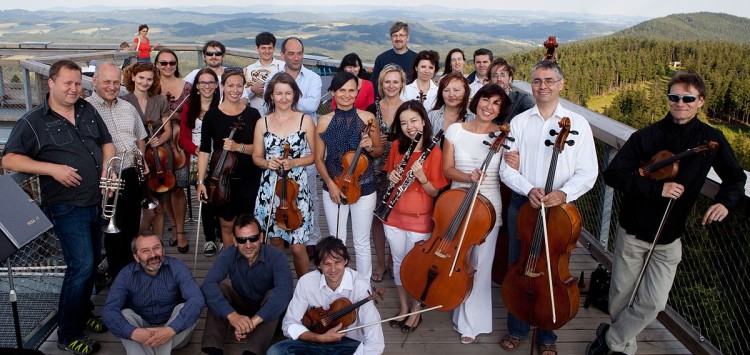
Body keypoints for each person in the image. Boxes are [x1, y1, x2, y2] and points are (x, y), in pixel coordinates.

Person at [586, 72, 746, 355]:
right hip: (633, 231)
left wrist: (725, 202)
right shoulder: (647, 137)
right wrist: (655, 189)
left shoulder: (711, 140)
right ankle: (624, 347)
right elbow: (614, 174)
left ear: (700, 102)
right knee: (619, 301)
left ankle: (610, 339)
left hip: (669, 238)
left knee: (654, 302)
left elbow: (734, 177)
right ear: (668, 100)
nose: (680, 103)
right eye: (674, 97)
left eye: (687, 98)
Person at [3, 59, 115, 354]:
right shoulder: (33, 121)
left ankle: (83, 313)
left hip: (96, 201)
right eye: (67, 83)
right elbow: (10, 160)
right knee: (82, 266)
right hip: (67, 206)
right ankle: (67, 334)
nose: (74, 89)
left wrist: (107, 168)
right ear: (51, 83)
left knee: (91, 266)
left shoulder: (87, 109)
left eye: (78, 83)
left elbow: (107, 142)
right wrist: (51, 169)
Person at [499, 60, 598, 355]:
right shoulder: (519, 122)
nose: (543, 86)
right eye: (537, 81)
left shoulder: (577, 124)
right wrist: (527, 188)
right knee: (519, 266)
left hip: (558, 212)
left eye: (549, 81)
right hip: (524, 204)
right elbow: (506, 170)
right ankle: (516, 328)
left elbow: (589, 172)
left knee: (551, 271)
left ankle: (547, 338)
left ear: (561, 85)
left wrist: (564, 193)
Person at [442, 84, 509, 345]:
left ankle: (474, 321)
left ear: (500, 111)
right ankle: (458, 306)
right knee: (460, 259)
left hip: (488, 203)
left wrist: (515, 162)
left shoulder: (504, 137)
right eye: (485, 99)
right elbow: (448, 170)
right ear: (476, 101)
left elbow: (508, 172)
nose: (489, 107)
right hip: (457, 199)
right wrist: (468, 177)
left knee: (481, 262)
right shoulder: (455, 130)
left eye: (496, 104)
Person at [383, 101, 449, 333]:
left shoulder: (435, 152)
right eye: (403, 123)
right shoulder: (397, 148)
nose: (409, 127)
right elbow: (392, 176)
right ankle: (404, 308)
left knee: (417, 267)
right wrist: (392, 177)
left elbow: (434, 192)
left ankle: (416, 309)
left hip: (420, 220)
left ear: (423, 121)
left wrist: (422, 177)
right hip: (393, 216)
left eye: (413, 121)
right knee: (399, 263)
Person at [315, 71, 382, 281]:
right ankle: (338, 284)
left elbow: (378, 151)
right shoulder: (325, 121)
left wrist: (371, 147)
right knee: (337, 238)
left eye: (351, 90)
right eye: (341, 90)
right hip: (334, 186)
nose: (346, 94)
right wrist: (330, 185)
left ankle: (363, 287)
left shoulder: (368, 118)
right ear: (333, 93)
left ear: (357, 92)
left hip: (364, 186)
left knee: (362, 240)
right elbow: (318, 158)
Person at [268, 236, 385, 355]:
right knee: (275, 351)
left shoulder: (360, 286)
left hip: (347, 345)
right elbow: (289, 323)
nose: (333, 269)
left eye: (337, 262)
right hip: (314, 340)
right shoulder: (306, 282)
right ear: (319, 265)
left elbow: (376, 342)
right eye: (327, 264)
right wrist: (320, 338)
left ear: (345, 261)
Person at [86, 61, 149, 279]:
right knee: (112, 233)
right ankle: (118, 276)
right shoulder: (85, 110)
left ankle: (130, 274)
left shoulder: (127, 107)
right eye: (107, 82)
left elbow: (140, 136)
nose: (112, 86)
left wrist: (142, 159)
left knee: (131, 226)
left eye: (116, 82)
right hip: (106, 178)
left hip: (131, 174)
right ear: (94, 82)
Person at [252, 72, 317, 278]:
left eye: (288, 93)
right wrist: (266, 162)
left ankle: (305, 289)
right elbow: (256, 156)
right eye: (278, 93)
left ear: (295, 95)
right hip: (270, 187)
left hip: (297, 187)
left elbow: (314, 156)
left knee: (298, 247)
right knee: (275, 242)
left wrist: (294, 162)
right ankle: (283, 286)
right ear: (271, 95)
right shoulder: (262, 123)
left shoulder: (305, 121)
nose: (283, 98)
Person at [201, 214, 293, 355]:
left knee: (275, 296)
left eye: (253, 238)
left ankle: (252, 352)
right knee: (220, 288)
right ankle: (213, 348)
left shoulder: (276, 256)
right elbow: (208, 284)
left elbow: (285, 291)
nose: (248, 245)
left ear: (261, 237)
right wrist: (233, 316)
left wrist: (253, 322)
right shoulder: (228, 255)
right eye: (242, 240)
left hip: (267, 315)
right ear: (235, 241)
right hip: (241, 306)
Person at [102, 231, 204, 355]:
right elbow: (109, 311)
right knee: (125, 314)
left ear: (163, 250)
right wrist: (134, 332)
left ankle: (143, 350)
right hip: (142, 329)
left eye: (156, 248)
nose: (153, 255)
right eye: (145, 251)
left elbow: (197, 299)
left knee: (185, 308)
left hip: (173, 329)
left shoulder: (177, 267)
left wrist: (170, 329)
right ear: (136, 257)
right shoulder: (126, 274)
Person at [196, 70, 262, 248]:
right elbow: (204, 150)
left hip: (249, 178)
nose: (235, 90)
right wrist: (201, 181)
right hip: (221, 181)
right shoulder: (212, 115)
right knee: (226, 224)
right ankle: (231, 264)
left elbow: (260, 148)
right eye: (230, 85)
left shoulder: (253, 114)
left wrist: (237, 147)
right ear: (222, 86)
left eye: (239, 86)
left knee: (248, 225)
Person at [122, 63, 182, 251]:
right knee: (145, 210)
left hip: (159, 156)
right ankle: (137, 246)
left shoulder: (159, 101)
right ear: (132, 78)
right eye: (141, 78)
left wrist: (159, 140)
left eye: (149, 79)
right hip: (136, 157)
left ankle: (158, 246)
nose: (145, 82)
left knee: (160, 207)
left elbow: (167, 130)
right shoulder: (124, 101)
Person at [275, 37, 324, 255]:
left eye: (299, 53)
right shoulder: (274, 77)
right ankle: (286, 230)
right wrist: (289, 102)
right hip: (280, 142)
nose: (296, 57)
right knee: (283, 192)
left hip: (306, 144)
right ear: (283, 54)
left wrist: (285, 99)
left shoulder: (312, 77)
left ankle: (312, 238)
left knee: (310, 193)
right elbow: (270, 104)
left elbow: (313, 105)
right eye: (291, 53)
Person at [365, 64, 406, 283]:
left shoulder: (409, 107)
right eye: (387, 81)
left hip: (400, 169)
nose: (391, 85)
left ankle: (393, 260)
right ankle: (381, 263)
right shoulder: (373, 108)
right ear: (381, 84)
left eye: (395, 81)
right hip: (377, 168)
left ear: (402, 84)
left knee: (397, 217)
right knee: (378, 218)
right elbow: (369, 138)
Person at [179, 68, 222, 256]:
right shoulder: (190, 106)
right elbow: (183, 136)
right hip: (198, 153)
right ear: (196, 86)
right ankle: (209, 238)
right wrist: (195, 149)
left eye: (211, 82)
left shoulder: (222, 105)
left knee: (221, 195)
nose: (207, 86)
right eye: (203, 83)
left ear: (216, 85)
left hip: (219, 155)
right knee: (205, 197)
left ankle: (222, 234)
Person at [155, 48, 191, 255]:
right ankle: (175, 227)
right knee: (163, 187)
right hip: (157, 143)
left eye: (172, 63)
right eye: (163, 63)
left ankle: (180, 230)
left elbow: (192, 115)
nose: (168, 66)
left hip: (178, 143)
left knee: (178, 188)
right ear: (157, 64)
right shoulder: (151, 86)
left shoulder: (186, 87)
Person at [371, 21, 417, 99]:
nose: (398, 38)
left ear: (408, 37)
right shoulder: (382, 58)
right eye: (395, 35)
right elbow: (375, 84)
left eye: (401, 35)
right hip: (386, 102)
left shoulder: (416, 59)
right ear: (391, 38)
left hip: (409, 103)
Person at [244, 32, 284, 112]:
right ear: (257, 49)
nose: (267, 51)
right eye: (263, 48)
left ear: (274, 48)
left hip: (277, 113)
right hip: (256, 114)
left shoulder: (283, 66)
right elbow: (243, 95)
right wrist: (252, 90)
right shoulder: (249, 69)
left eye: (270, 48)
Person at [488, 57, 534, 123]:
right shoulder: (484, 101)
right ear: (490, 80)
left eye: (502, 75)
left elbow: (534, 117)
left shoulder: (521, 100)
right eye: (495, 76)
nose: (499, 79)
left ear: (510, 79)